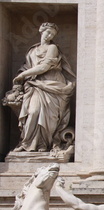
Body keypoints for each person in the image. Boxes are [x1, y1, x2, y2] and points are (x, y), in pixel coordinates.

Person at [12, 22, 76, 152]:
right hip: (35, 85)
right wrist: (22, 75)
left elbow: (44, 67)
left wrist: (24, 75)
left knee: (49, 117)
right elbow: (27, 66)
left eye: (52, 34)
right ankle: (27, 143)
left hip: (52, 83)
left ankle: (43, 144)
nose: (49, 35)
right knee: (33, 112)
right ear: (41, 30)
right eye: (48, 32)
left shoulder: (53, 48)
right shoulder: (32, 50)